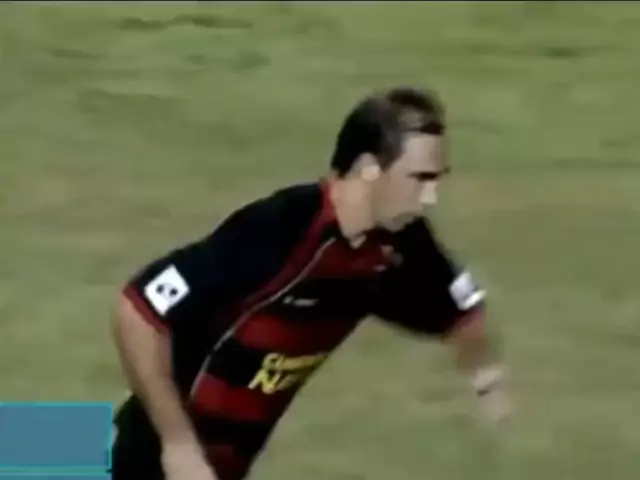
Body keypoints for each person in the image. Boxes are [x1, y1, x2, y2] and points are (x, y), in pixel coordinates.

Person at [110, 86, 509, 480]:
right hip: (143, 461)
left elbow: (459, 309)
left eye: (437, 180)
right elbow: (138, 311)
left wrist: (485, 378)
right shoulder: (278, 229)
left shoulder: (400, 246)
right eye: (419, 179)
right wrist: (179, 446)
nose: (430, 198)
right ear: (369, 168)